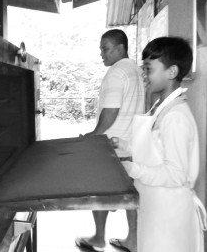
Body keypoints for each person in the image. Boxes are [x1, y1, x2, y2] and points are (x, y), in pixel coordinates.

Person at [113, 37, 206, 252]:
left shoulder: (176, 117)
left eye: (148, 69)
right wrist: (125, 146)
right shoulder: (161, 107)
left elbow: (175, 174)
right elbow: (154, 149)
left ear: (172, 72)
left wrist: (131, 168)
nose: (144, 76)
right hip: (154, 205)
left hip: (170, 213)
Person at [75, 29, 145, 252]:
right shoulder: (135, 70)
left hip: (112, 144)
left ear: (120, 48)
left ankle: (98, 238)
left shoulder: (116, 72)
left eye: (105, 49)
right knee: (130, 194)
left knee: (99, 191)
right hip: (131, 144)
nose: (101, 54)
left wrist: (94, 136)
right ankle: (132, 241)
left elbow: (111, 110)